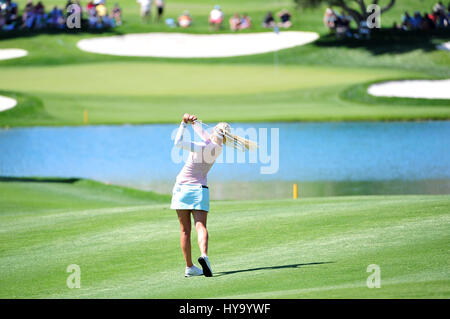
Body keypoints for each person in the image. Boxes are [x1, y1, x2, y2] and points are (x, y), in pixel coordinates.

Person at [171, 113, 255, 277]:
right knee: (200, 226)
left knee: (184, 231)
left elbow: (178, 142)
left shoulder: (202, 146)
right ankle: (204, 255)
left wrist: (183, 123)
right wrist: (195, 124)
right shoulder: (217, 148)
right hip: (199, 189)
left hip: (181, 188)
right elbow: (207, 136)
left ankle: (189, 267)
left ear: (215, 132)